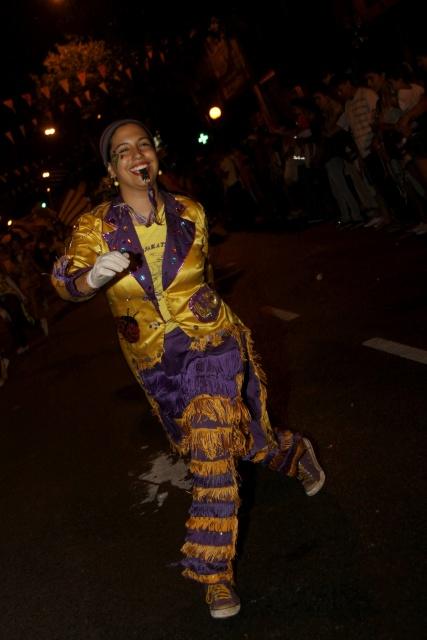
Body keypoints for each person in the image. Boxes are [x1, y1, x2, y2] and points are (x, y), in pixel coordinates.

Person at [51, 119, 325, 619]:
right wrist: (90, 276)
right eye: (123, 150)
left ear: (154, 156)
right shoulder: (94, 226)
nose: (137, 154)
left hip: (213, 342)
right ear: (112, 169)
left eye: (144, 145)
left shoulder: (190, 212)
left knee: (211, 448)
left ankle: (214, 573)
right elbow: (65, 280)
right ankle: (289, 451)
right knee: (228, 439)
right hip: (155, 361)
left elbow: (210, 280)